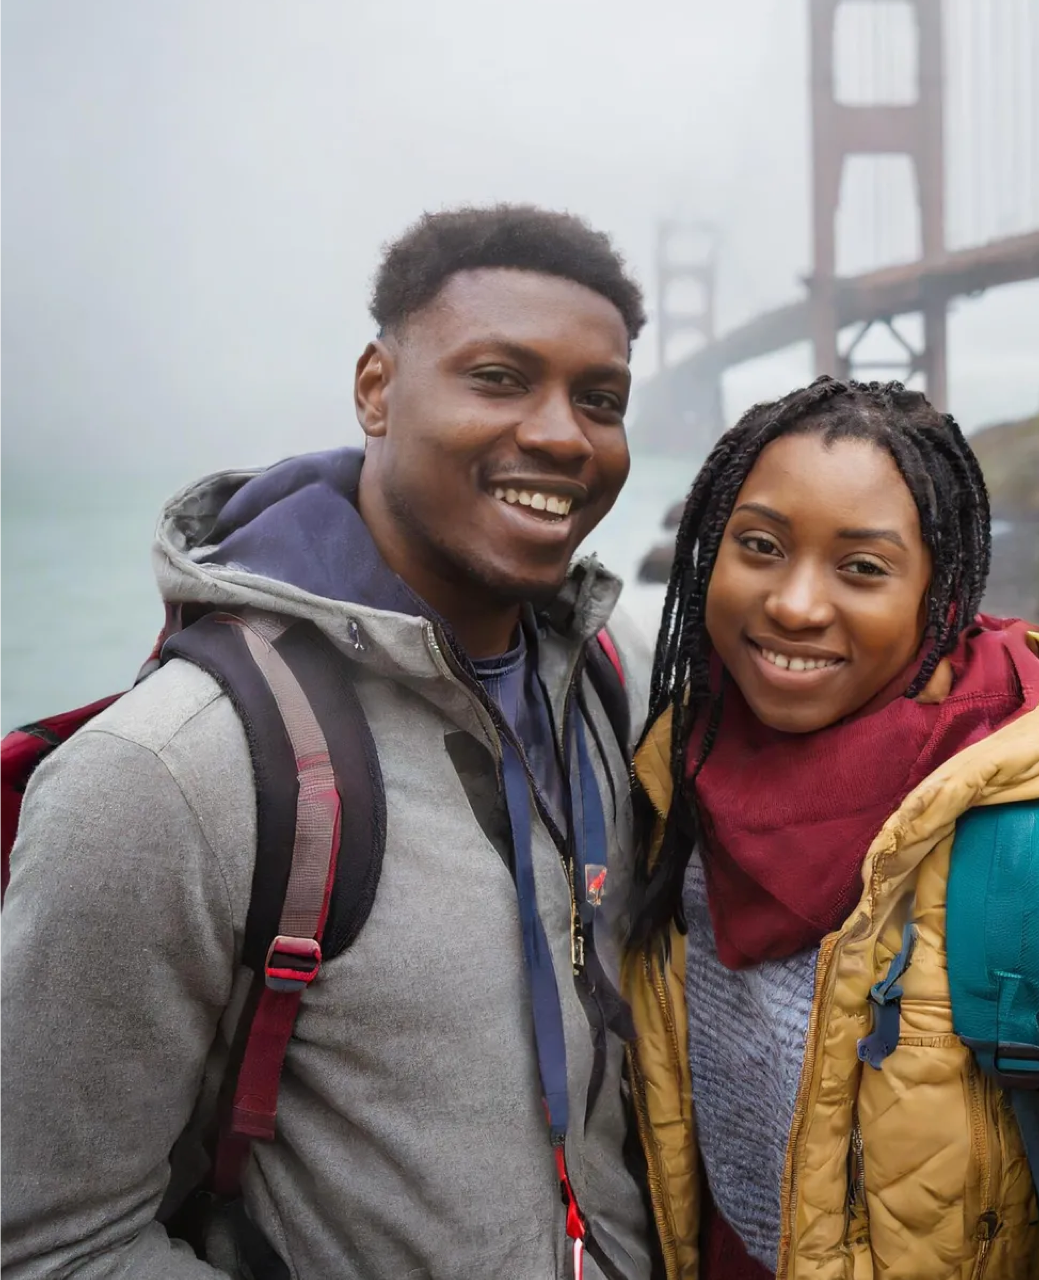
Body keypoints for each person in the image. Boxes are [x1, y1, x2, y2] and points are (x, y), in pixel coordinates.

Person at [0, 204, 657, 1279]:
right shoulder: (170, 773)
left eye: (601, 399)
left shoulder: (609, 677)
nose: (561, 435)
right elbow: (50, 1241)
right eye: (498, 378)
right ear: (375, 388)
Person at [622, 376, 1039, 1279]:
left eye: (863, 567)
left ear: (942, 594)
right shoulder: (670, 792)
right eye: (761, 546)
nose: (795, 604)